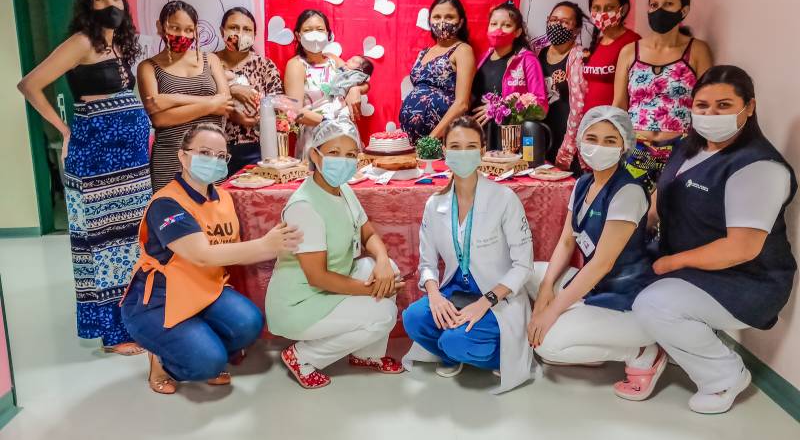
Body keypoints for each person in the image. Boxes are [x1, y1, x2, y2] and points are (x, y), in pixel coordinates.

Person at [633, 66, 796, 414]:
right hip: (691, 263)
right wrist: (640, 229)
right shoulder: (689, 147)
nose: (710, 115)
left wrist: (670, 263)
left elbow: (741, 248)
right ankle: (674, 345)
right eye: (702, 105)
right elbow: (661, 197)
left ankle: (724, 375)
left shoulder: (758, 167)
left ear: (749, 107)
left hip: (747, 279)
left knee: (652, 304)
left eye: (724, 105)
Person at [16, 0, 152, 355]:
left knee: (131, 241)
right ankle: (112, 332)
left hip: (132, 160)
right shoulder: (80, 43)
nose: (111, 6)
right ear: (87, 7)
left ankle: (134, 320)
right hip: (97, 159)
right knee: (104, 242)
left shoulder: (122, 45)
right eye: (100, 0)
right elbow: (29, 84)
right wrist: (63, 130)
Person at [121, 123, 302, 394]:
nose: (213, 161)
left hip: (205, 290)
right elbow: (202, 255)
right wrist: (266, 244)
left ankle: (198, 340)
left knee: (249, 323)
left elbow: (230, 249)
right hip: (161, 300)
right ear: (183, 156)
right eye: (205, 152)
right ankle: (162, 360)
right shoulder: (167, 203)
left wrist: (274, 246)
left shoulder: (224, 198)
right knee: (208, 362)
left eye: (220, 156)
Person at [526, 106, 666, 401]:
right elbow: (566, 242)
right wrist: (546, 289)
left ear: (624, 146)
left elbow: (601, 264)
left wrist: (551, 310)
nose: (599, 147)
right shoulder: (583, 183)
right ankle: (585, 337)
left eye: (610, 141)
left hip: (624, 297)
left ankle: (641, 351)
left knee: (548, 345)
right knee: (531, 275)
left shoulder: (627, 191)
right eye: (592, 138)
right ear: (579, 140)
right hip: (596, 285)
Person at [265, 115, 405, 389]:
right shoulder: (304, 206)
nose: (343, 160)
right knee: (384, 313)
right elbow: (317, 277)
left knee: (390, 272)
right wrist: (374, 290)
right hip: (300, 302)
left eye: (350, 154)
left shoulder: (342, 190)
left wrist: (384, 262)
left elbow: (369, 234)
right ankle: (302, 357)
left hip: (329, 286)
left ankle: (366, 354)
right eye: (334, 153)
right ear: (315, 156)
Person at [402, 117, 534, 394]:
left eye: (471, 146)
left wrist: (485, 302)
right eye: (455, 147)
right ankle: (456, 350)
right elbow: (427, 265)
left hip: (495, 295)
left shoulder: (504, 199)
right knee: (413, 318)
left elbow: (523, 265)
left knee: (455, 341)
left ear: (483, 151)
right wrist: (435, 296)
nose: (463, 153)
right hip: (454, 292)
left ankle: (492, 354)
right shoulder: (434, 204)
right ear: (445, 151)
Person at [613, 0, 713, 193]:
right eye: (654, 4)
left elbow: (706, 103)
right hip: (635, 147)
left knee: (671, 211)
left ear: (683, 10)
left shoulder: (697, 50)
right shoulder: (630, 51)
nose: (659, 10)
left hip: (681, 148)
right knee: (632, 210)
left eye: (668, 4)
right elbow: (619, 104)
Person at [138, 0, 237, 191]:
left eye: (188, 30)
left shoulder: (211, 60)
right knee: (173, 218)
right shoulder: (148, 67)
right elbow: (159, 119)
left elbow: (225, 104)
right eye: (174, 28)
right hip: (170, 160)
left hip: (211, 159)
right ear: (160, 27)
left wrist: (170, 99)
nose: (182, 35)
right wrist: (210, 104)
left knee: (211, 217)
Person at [283, 10, 368, 157]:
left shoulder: (333, 60)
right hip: (317, 135)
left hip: (345, 133)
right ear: (298, 35)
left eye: (320, 29)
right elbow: (295, 113)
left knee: (350, 178)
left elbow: (363, 81)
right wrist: (329, 122)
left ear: (328, 34)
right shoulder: (296, 65)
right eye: (308, 30)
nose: (314, 34)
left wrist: (355, 89)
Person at [215, 7, 284, 175]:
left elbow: (279, 106)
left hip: (257, 150)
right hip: (215, 149)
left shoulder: (265, 66)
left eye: (247, 29)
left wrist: (256, 119)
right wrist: (232, 92)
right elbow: (202, 97)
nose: (239, 34)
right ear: (222, 30)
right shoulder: (210, 63)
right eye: (233, 27)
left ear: (254, 35)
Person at [400, 0, 476, 143]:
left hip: (441, 138)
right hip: (412, 139)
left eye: (449, 17)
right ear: (430, 21)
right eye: (436, 17)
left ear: (460, 22)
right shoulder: (424, 52)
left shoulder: (462, 50)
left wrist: (431, 139)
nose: (442, 22)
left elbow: (462, 103)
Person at [471, 1, 547, 150]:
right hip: (479, 135)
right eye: (493, 24)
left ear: (517, 32)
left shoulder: (527, 60)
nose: (498, 30)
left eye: (506, 25)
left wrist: (499, 108)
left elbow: (541, 105)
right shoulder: (483, 57)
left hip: (508, 138)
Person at [537, 1, 587, 174]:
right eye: (553, 19)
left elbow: (580, 106)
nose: (557, 25)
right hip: (540, 137)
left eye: (565, 22)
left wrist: (568, 148)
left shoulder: (579, 57)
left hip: (567, 142)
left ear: (577, 29)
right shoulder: (537, 53)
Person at [582, 0, 640, 114]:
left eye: (609, 8)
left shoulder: (632, 42)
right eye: (596, 8)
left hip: (613, 123)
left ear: (623, 9)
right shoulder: (596, 43)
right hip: (589, 122)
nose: (602, 13)